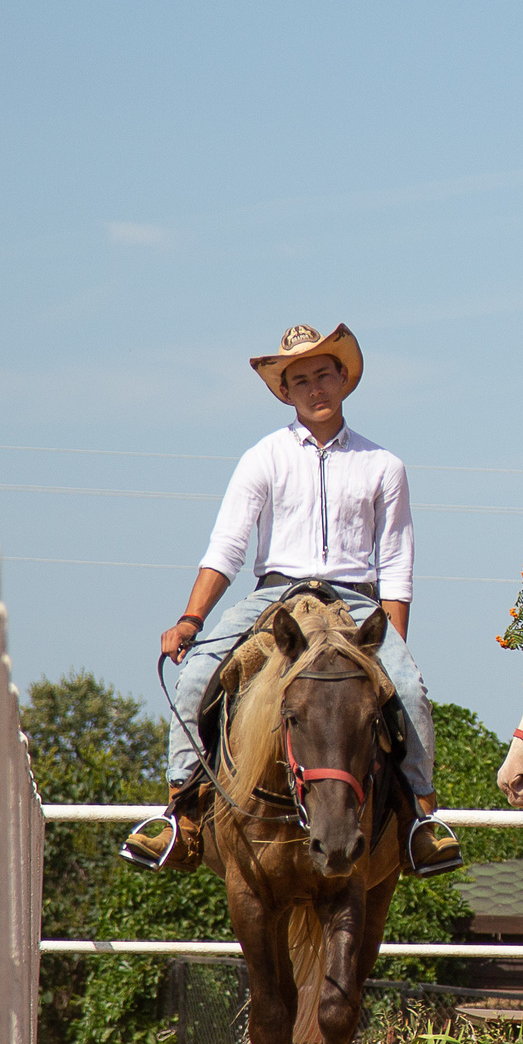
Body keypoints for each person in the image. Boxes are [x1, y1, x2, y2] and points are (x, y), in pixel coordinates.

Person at [120, 323, 461, 877]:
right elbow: (228, 544)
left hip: (353, 602)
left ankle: (422, 819)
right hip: (274, 597)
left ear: (344, 378)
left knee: (412, 693)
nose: (314, 387)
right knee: (192, 679)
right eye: (300, 379)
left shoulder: (384, 466)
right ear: (286, 391)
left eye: (324, 373)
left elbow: (396, 564)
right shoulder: (263, 457)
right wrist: (191, 618)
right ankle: (179, 813)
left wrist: (392, 643)